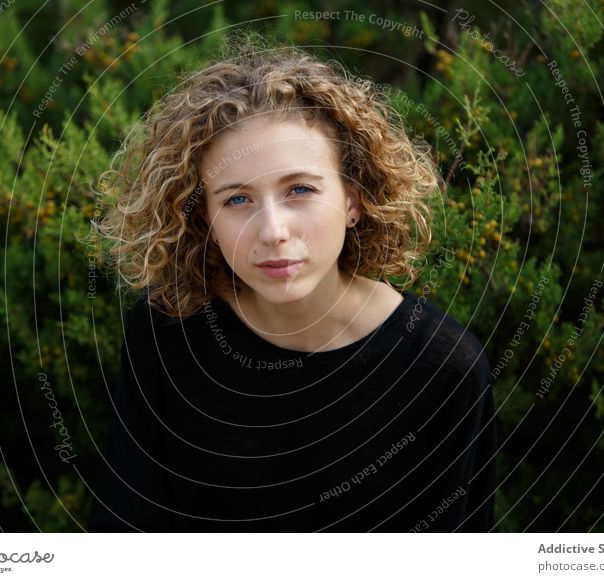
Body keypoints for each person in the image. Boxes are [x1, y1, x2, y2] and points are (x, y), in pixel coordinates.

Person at [87, 31, 497, 532]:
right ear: (205, 220)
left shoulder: (444, 369)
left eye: (300, 189)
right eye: (237, 199)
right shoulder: (167, 332)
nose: (273, 231)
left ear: (354, 198)